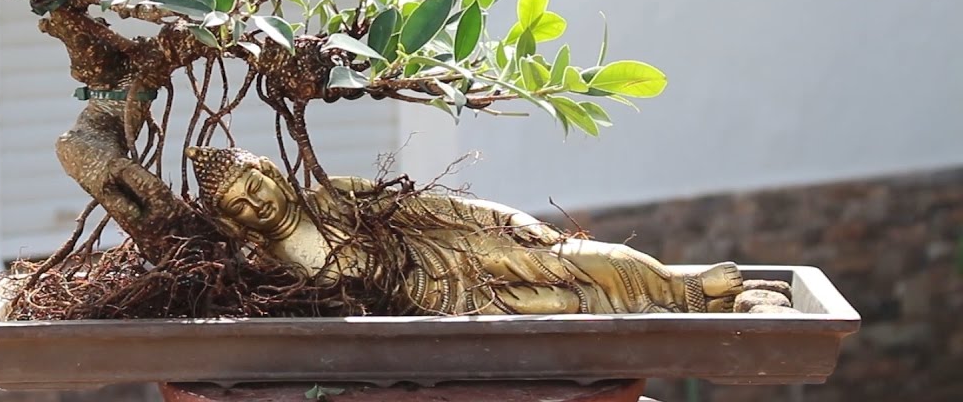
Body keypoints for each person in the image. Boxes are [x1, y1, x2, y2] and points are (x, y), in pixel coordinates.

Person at [187, 146, 743, 315]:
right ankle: (664, 310)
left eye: (255, 186)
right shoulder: (267, 266)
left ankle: (680, 289)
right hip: (437, 310)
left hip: (451, 253)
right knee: (561, 308)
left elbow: (426, 207)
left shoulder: (333, 197)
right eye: (240, 207)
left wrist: (503, 222)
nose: (258, 206)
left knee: (574, 260)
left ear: (270, 172)